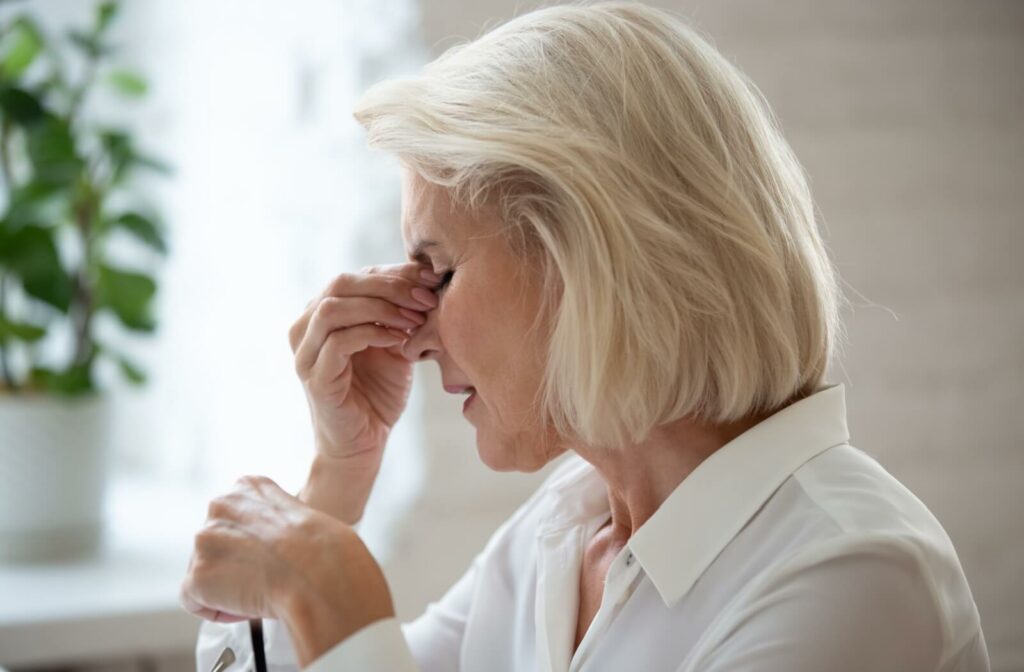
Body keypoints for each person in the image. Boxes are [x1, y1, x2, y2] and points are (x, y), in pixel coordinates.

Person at [182, 2, 990, 670]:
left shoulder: (852, 577)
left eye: (441, 271)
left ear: (584, 262)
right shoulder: (561, 533)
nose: (414, 333)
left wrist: (331, 589)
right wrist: (337, 484)